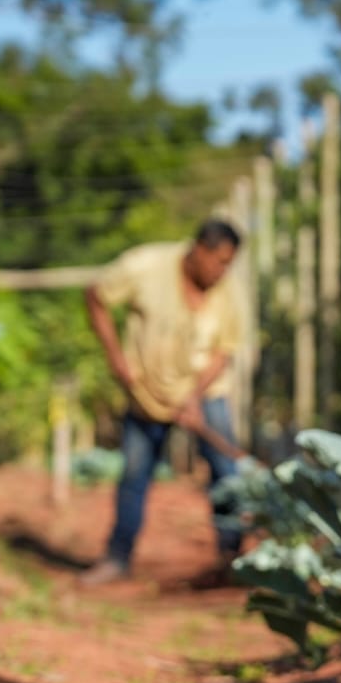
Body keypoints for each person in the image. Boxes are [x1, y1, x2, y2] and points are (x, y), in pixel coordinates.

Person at [79, 219, 247, 585]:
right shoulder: (146, 266)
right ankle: (117, 558)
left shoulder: (227, 289)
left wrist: (194, 397)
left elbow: (224, 352)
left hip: (207, 395)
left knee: (226, 476)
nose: (222, 271)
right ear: (199, 249)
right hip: (148, 396)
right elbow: (96, 296)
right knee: (135, 475)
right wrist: (115, 357)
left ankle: (233, 560)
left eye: (228, 263)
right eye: (218, 261)